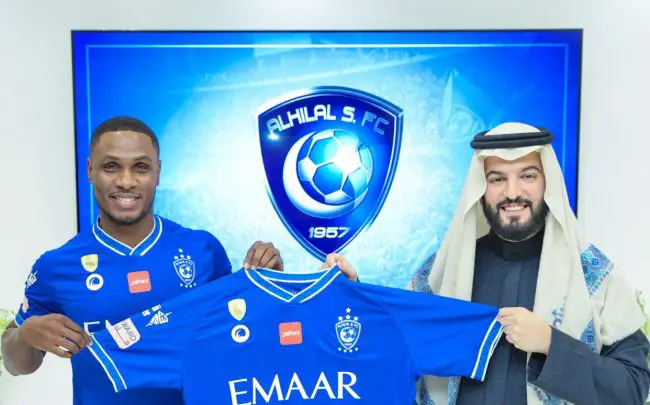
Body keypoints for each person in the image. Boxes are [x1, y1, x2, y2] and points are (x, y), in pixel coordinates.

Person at [330, 122, 650, 405]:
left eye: (527, 176)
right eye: (497, 179)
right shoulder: (443, 271)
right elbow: (393, 344)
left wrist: (551, 344)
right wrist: (350, 293)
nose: (512, 192)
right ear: (481, 189)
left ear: (547, 183)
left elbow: (633, 388)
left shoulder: (592, 274)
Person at [1, 116, 283, 405]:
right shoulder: (56, 266)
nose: (126, 181)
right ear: (90, 170)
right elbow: (15, 363)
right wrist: (25, 336)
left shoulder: (202, 250)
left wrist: (267, 284)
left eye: (140, 167)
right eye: (111, 166)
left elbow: (243, 336)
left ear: (157, 172)